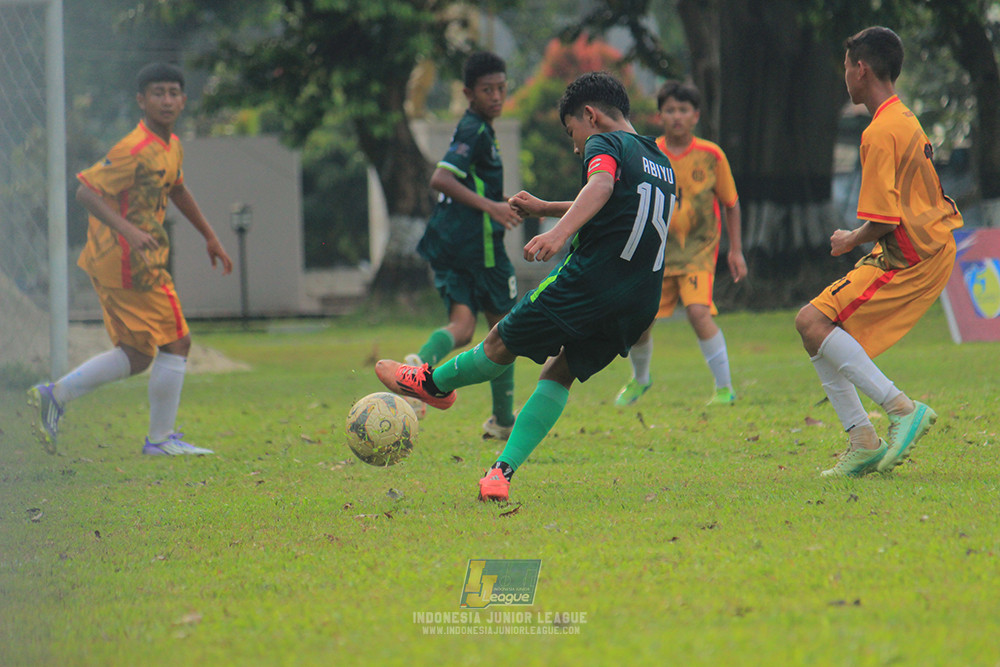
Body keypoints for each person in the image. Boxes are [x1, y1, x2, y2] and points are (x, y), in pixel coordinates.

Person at [376, 71, 676, 501]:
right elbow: (616, 199)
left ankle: (433, 384)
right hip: (639, 298)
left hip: (590, 282)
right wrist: (546, 207)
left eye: (572, 131)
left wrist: (557, 234)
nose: (576, 145)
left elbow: (602, 184)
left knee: (501, 341)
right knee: (560, 371)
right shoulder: (658, 158)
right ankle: (500, 473)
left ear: (589, 115)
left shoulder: (603, 143)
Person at [27, 62, 233, 456]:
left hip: (124, 263)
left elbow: (178, 190)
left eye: (174, 92)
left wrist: (210, 236)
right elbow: (85, 192)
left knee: (138, 356)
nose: (167, 100)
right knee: (178, 342)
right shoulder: (132, 149)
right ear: (142, 100)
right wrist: (129, 230)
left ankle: (55, 395)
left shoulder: (170, 146)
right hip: (130, 264)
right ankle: (159, 441)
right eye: (158, 92)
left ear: (184, 100)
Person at [794, 27, 962, 477]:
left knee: (811, 321)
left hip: (911, 256)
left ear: (861, 69)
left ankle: (900, 410)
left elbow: (885, 221)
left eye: (847, 68)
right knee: (815, 327)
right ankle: (863, 440)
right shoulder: (903, 117)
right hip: (926, 247)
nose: (844, 77)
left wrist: (850, 238)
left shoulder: (879, 131)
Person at [405, 51, 523, 441]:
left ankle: (418, 367)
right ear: (468, 93)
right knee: (505, 330)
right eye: (487, 89)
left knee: (463, 326)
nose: (496, 96)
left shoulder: (480, 129)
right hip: (478, 247)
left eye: (501, 88)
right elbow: (441, 179)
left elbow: (469, 184)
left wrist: (499, 199)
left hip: (456, 241)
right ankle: (504, 419)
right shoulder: (474, 129)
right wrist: (491, 207)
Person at [615, 80, 746, 408]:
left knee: (699, 313)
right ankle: (641, 379)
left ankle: (724, 388)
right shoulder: (648, 153)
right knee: (641, 321)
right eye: (670, 110)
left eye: (683, 110)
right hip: (655, 255)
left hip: (698, 254)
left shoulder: (711, 156)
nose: (676, 116)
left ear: (695, 115)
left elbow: (731, 203)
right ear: (659, 116)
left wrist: (736, 250)